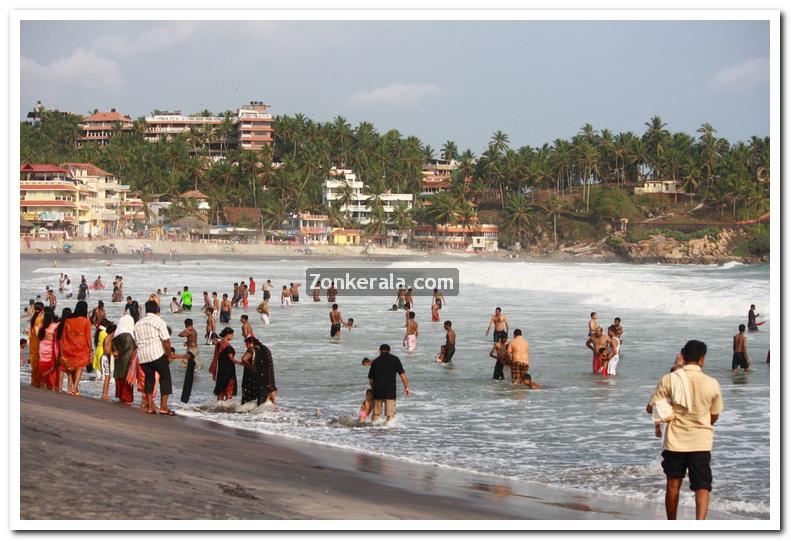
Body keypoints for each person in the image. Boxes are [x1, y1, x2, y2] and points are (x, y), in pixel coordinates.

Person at [646, 340, 724, 520]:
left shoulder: (669, 379)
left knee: (673, 484)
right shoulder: (712, 383)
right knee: (702, 486)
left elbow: (651, 408)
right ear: (702, 360)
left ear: (684, 355)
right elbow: (714, 416)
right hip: (701, 442)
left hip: (675, 441)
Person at [134, 300, 183, 415]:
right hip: (156, 355)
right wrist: (169, 354)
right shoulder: (159, 322)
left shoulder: (138, 324)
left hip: (143, 357)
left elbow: (136, 341)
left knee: (149, 380)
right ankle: (163, 407)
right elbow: (166, 341)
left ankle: (150, 407)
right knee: (165, 378)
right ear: (157, 309)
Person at [368, 344, 411, 424]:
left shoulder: (375, 361)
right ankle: (389, 433)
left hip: (378, 391)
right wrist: (406, 387)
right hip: (390, 391)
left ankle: (374, 432)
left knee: (376, 414)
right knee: (390, 415)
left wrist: (374, 389)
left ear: (379, 350)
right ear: (389, 350)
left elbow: (371, 379)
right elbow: (402, 374)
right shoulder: (395, 359)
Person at [58, 301, 93, 396]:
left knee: (72, 367)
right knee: (79, 367)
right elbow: (88, 338)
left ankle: (74, 387)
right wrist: (91, 349)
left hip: (69, 346)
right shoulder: (86, 321)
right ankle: (74, 386)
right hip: (82, 347)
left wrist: (64, 347)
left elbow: (64, 335)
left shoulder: (68, 320)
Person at [240, 335, 277, 406]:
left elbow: (244, 359)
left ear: (251, 343)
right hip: (266, 378)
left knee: (249, 398)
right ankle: (264, 413)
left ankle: (249, 412)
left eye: (247, 344)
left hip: (255, 378)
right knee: (263, 399)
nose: (246, 346)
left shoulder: (251, 349)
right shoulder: (265, 349)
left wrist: (251, 367)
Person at [111, 314, 137, 405]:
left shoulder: (116, 334)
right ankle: (127, 398)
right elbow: (130, 348)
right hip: (127, 361)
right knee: (127, 380)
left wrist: (116, 352)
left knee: (119, 378)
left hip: (118, 360)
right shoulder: (128, 335)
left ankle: (121, 396)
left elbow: (113, 347)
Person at [210, 327, 239, 401]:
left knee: (221, 392)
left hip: (221, 371)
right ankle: (227, 411)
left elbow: (216, 357)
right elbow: (231, 359)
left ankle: (219, 409)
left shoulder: (219, 344)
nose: (233, 336)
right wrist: (242, 362)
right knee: (229, 391)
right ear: (228, 334)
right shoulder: (227, 346)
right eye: (232, 335)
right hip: (229, 371)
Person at [36, 307, 61, 391]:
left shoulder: (42, 327)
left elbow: (39, 337)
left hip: (42, 349)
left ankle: (43, 384)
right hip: (51, 349)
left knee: (43, 367)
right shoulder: (55, 325)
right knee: (52, 368)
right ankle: (53, 386)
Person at [27, 302, 45, 388]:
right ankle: (37, 382)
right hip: (37, 342)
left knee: (34, 362)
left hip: (32, 342)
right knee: (37, 362)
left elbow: (30, 332)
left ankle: (34, 381)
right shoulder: (39, 319)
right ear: (42, 309)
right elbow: (38, 332)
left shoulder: (33, 318)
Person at [100, 322, 117, 400]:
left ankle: (105, 394)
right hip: (105, 359)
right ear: (113, 331)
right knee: (107, 377)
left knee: (108, 377)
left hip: (106, 358)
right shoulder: (107, 339)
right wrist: (113, 353)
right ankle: (104, 395)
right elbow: (106, 351)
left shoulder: (109, 338)